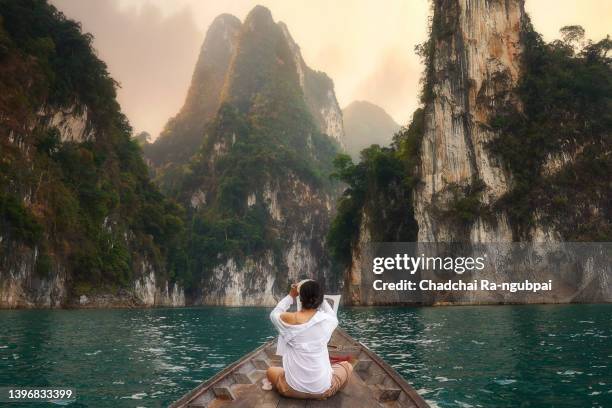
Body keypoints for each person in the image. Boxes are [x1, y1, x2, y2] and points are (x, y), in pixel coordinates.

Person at [266, 280, 353, 399]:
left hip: (290, 389)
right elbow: (332, 315)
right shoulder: (328, 321)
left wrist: (291, 295)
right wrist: (320, 300)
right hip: (322, 390)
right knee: (347, 366)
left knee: (270, 371)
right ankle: (325, 393)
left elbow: (274, 313)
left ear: (300, 299)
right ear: (320, 299)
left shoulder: (287, 320)